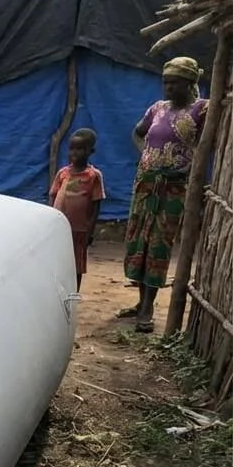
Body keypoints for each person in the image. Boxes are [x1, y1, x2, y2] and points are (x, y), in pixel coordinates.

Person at [118, 57, 208, 333]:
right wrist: (145, 154)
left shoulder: (201, 110)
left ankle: (147, 308)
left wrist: (188, 166)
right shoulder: (157, 108)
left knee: (158, 244)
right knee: (139, 241)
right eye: (165, 83)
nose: (167, 88)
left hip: (173, 188)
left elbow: (207, 145)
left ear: (190, 84)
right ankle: (139, 301)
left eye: (174, 83)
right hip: (146, 185)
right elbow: (138, 132)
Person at [50, 128, 106, 291]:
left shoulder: (93, 175)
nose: (74, 153)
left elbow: (96, 204)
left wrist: (90, 231)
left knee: (76, 266)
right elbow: (54, 197)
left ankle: (73, 295)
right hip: (60, 229)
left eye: (80, 149)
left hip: (79, 231)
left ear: (90, 151)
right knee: (58, 261)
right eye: (72, 148)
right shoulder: (62, 173)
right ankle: (57, 292)